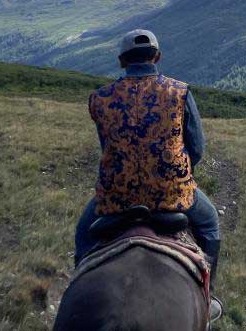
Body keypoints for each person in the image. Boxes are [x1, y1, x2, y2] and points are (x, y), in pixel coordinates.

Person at [73, 29, 222, 315]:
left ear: (121, 61)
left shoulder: (100, 98)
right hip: (173, 193)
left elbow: (107, 146)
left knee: (83, 233)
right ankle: (209, 295)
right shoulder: (180, 91)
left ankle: (78, 280)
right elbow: (198, 148)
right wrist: (178, 174)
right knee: (209, 224)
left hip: (117, 197)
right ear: (157, 56)